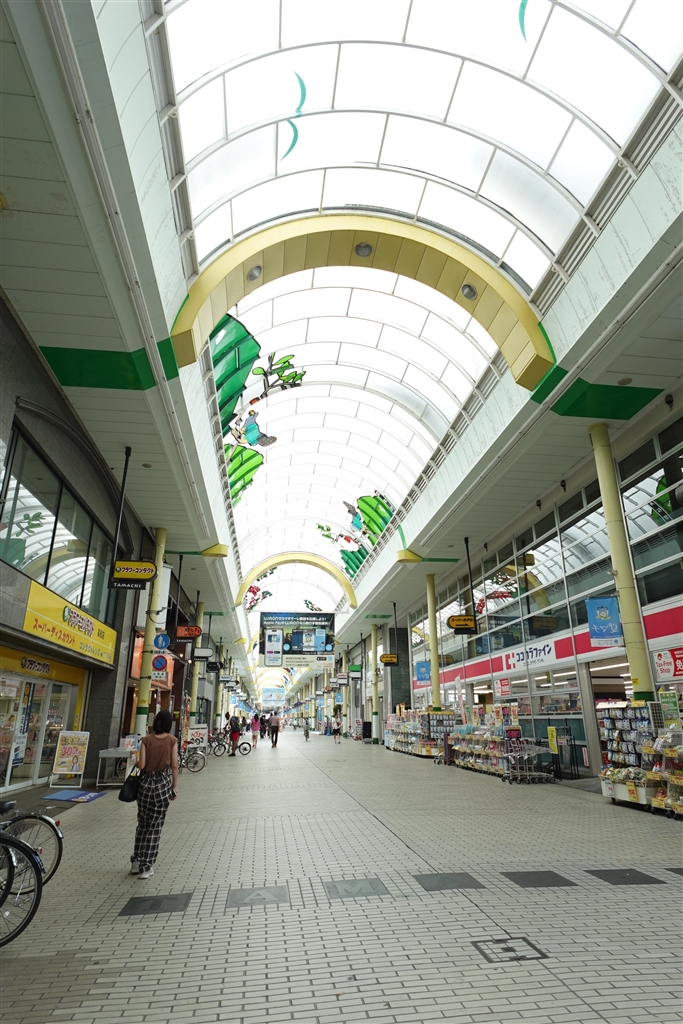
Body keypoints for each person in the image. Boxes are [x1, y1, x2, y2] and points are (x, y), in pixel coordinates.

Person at [130, 710, 178, 880]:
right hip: (162, 785)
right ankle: (146, 866)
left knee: (142, 823)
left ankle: (136, 861)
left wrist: (135, 760)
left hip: (145, 786)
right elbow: (174, 765)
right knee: (155, 826)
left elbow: (142, 765)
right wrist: (174, 787)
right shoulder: (172, 741)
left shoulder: (146, 740)